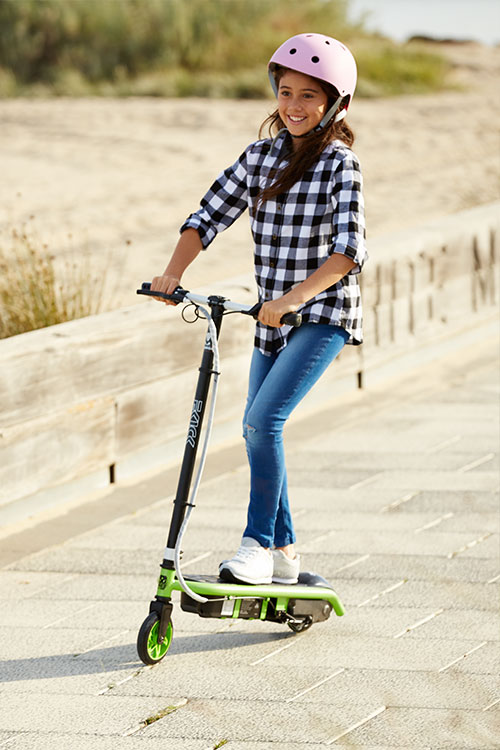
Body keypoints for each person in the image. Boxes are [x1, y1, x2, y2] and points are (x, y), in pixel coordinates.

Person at [150, 33, 367, 586]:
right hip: (271, 321)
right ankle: (287, 555)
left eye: (309, 96)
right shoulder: (261, 157)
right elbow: (208, 215)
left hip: (321, 318)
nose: (293, 106)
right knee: (257, 430)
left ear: (335, 105)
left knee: (261, 422)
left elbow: (349, 251)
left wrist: (295, 298)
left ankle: (256, 544)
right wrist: (173, 274)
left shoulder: (342, 164)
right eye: (285, 91)